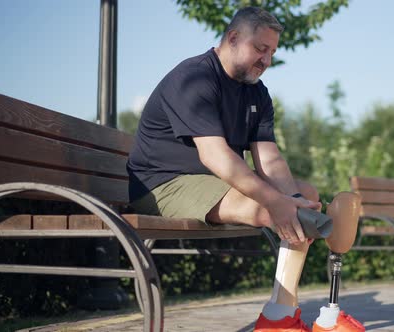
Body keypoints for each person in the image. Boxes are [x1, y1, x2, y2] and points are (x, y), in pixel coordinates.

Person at [127, 7, 363, 332]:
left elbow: (269, 159)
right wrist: (276, 203)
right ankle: (279, 321)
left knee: (304, 196)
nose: (266, 60)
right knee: (267, 205)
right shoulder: (194, 77)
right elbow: (216, 157)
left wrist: (292, 198)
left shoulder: (257, 93)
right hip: (162, 185)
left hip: (213, 184)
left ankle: (279, 314)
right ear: (234, 38)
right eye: (260, 48)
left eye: (272, 52)